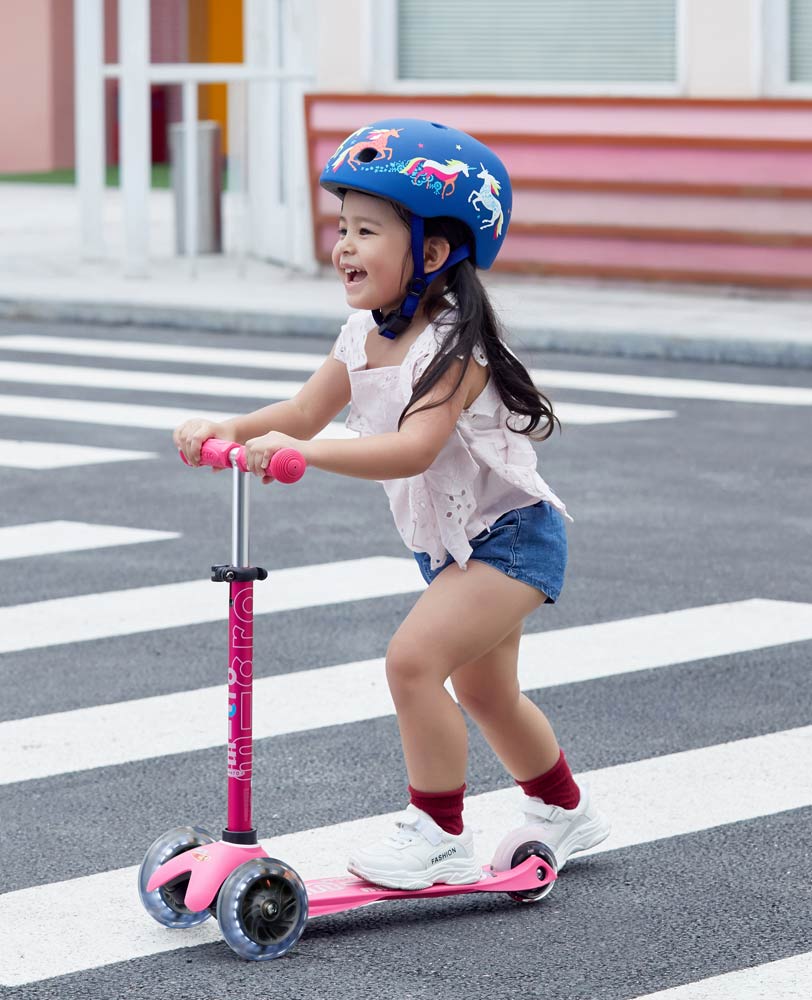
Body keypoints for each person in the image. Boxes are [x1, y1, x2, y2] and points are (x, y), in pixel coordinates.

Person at [174, 118, 610, 891]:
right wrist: (231, 428)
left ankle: (439, 834)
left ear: (434, 253)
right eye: (343, 226)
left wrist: (307, 456)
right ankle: (563, 808)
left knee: (413, 663)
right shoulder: (360, 337)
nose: (343, 245)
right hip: (456, 545)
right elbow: (304, 412)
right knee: (485, 690)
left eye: (367, 230)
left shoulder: (453, 349)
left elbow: (411, 447)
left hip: (510, 539)